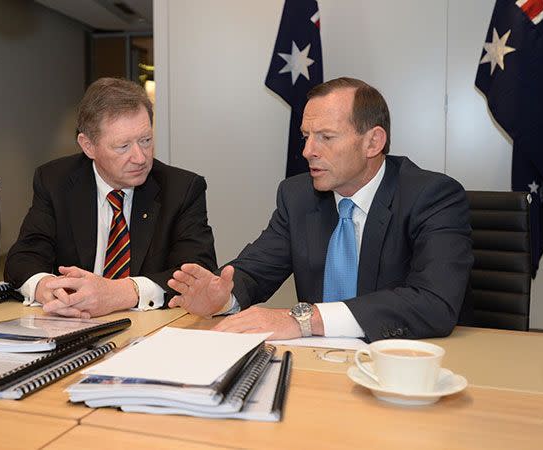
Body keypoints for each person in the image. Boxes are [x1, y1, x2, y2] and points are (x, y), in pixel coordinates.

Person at [168, 77, 473, 342]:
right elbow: (256, 270)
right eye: (306, 136)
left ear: (373, 142)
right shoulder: (297, 195)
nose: (307, 151)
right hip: (319, 362)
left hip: (399, 363)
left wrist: (303, 319)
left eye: (326, 137)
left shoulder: (432, 196)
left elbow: (434, 303)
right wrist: (224, 296)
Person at [5, 77, 217, 318]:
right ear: (88, 146)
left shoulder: (182, 189)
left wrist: (121, 293)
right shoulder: (55, 181)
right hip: (73, 326)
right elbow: (22, 259)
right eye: (123, 146)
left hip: (150, 329)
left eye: (146, 140)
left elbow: (198, 274)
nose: (140, 157)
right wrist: (47, 288)